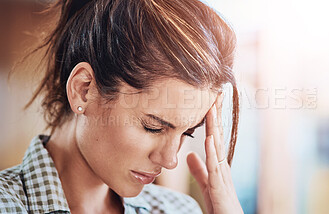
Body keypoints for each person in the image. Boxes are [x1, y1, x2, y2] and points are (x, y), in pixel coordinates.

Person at [0, 0, 243, 213]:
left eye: (187, 132)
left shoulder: (177, 210)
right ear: (84, 90)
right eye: (153, 127)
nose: (170, 160)